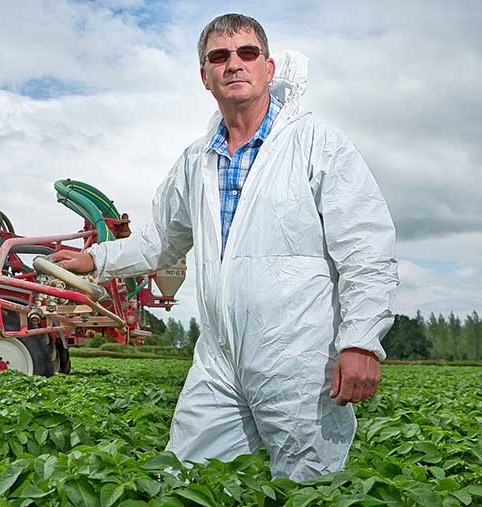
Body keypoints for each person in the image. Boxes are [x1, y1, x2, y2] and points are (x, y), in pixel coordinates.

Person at [50, 13, 398, 481]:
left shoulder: (316, 144)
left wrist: (360, 341)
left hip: (300, 359)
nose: (234, 64)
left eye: (247, 53)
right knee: (182, 476)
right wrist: (96, 258)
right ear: (204, 76)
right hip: (219, 358)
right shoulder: (197, 159)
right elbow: (163, 239)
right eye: (220, 56)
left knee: (307, 484)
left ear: (268, 68)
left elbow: (366, 249)